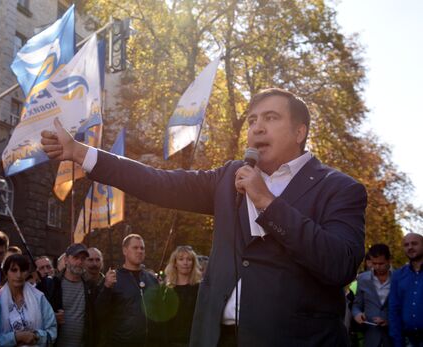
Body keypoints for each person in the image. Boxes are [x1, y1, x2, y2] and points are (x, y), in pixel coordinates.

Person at [41, 88, 367, 346]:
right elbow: (158, 183)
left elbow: (339, 264)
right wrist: (80, 153)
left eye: (270, 118)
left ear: (299, 132)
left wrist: (266, 201)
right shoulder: (229, 177)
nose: (257, 127)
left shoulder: (338, 188)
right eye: (252, 120)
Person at [94, 234, 160, 346]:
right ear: (125, 251)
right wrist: (107, 287)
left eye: (142, 248)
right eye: (135, 248)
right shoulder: (113, 278)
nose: (140, 251)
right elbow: (99, 312)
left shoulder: (152, 279)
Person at [0, 254, 56, 346]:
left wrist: (36, 336)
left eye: (22, 270)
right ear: (6, 273)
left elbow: (52, 331)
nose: (18, 275)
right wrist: (15, 338)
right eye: (14, 270)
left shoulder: (39, 298)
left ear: (27, 273)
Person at [37, 243, 95, 347]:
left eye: (83, 258)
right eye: (75, 258)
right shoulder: (52, 285)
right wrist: (52, 317)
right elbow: (35, 316)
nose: (79, 262)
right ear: (66, 260)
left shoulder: (90, 286)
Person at [352, 244, 393, 347]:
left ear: (389, 260)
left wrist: (389, 321)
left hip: (393, 337)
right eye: (374, 263)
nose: (377, 267)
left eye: (381, 263)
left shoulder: (398, 278)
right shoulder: (362, 279)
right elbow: (356, 305)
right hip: (370, 336)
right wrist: (357, 314)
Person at [162, 245, 202, 347]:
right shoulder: (167, 290)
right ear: (175, 263)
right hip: (171, 342)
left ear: (193, 263)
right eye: (181, 259)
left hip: (195, 342)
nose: (185, 263)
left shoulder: (200, 289)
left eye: (189, 259)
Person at [389, 233, 423, 347]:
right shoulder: (398, 276)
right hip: (408, 340)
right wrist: (398, 342)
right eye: (406, 245)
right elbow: (394, 310)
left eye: (414, 243)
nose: (410, 247)